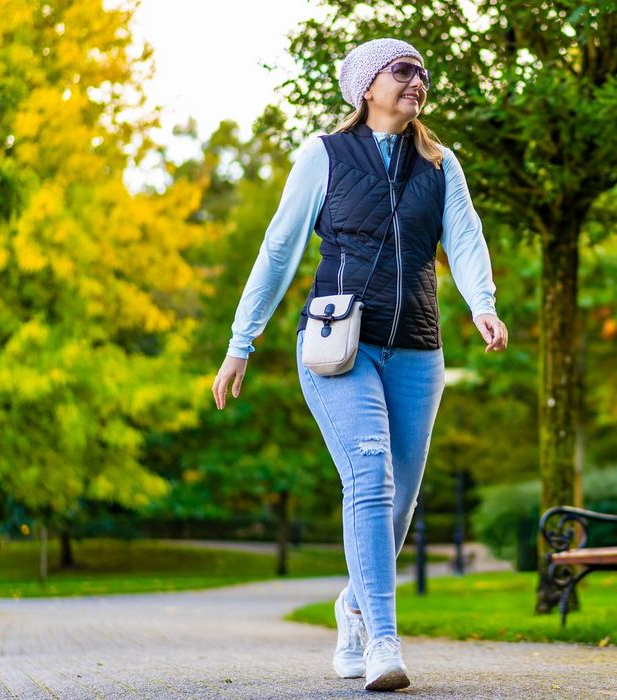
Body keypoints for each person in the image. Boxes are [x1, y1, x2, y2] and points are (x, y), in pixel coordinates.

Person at [210, 38, 508, 692]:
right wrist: (242, 341)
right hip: (337, 344)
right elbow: (279, 248)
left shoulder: (439, 162)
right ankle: (383, 640)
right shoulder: (323, 155)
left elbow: (464, 238)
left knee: (397, 500)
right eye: (403, 70)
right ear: (367, 86)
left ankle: (351, 606)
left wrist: (482, 305)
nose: (417, 81)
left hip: (417, 347)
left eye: (423, 73)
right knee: (368, 474)